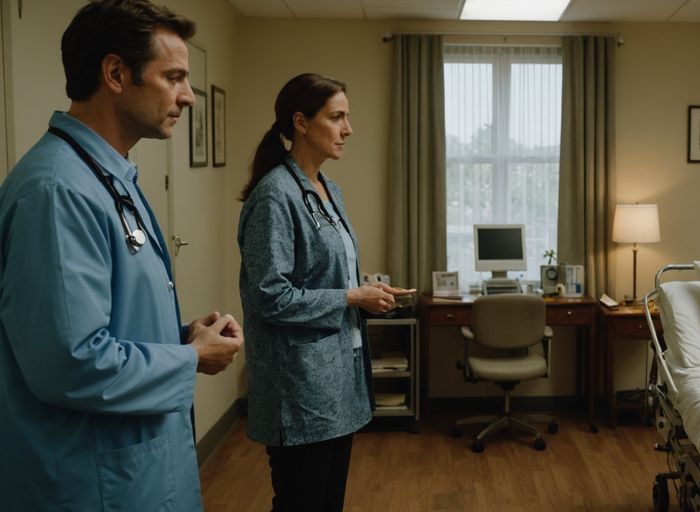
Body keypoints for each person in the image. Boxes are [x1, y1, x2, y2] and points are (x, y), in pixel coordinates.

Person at [0, 1, 244, 510]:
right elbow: (70, 363)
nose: (188, 96)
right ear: (115, 73)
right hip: (92, 483)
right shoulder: (57, 192)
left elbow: (97, 322)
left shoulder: (108, 175)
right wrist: (191, 358)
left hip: (135, 470)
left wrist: (181, 337)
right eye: (173, 77)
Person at [238, 73, 415, 512]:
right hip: (299, 386)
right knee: (303, 502)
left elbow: (324, 273)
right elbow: (270, 296)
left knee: (328, 502)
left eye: (346, 117)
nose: (348, 129)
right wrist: (353, 298)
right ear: (301, 122)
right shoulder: (275, 196)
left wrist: (365, 288)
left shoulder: (327, 190)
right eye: (336, 118)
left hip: (336, 377)